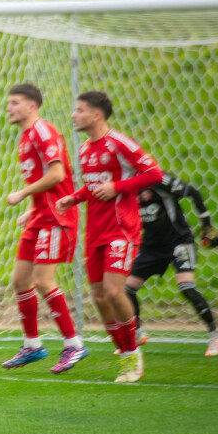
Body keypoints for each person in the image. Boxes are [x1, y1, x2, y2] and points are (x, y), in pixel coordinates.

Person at [55, 91, 163, 383]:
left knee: (115, 292)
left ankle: (130, 357)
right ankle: (127, 347)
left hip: (122, 228)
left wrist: (119, 186)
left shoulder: (119, 143)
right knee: (99, 298)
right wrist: (72, 199)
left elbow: (154, 173)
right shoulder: (84, 150)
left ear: (96, 115)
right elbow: (92, 189)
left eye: (79, 110)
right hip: (95, 232)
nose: (74, 115)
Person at [2, 83, 87, 373]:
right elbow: (45, 180)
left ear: (32, 106)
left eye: (14, 102)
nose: (9, 108)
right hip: (40, 214)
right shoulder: (25, 137)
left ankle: (74, 344)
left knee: (42, 280)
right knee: (20, 280)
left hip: (57, 216)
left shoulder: (43, 132)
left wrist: (23, 194)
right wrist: (30, 208)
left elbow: (57, 174)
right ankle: (32, 345)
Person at [128, 172, 218, 356]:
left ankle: (215, 335)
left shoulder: (158, 179)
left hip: (178, 242)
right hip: (151, 247)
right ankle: (137, 333)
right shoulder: (126, 185)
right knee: (127, 289)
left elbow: (193, 193)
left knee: (186, 286)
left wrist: (207, 227)